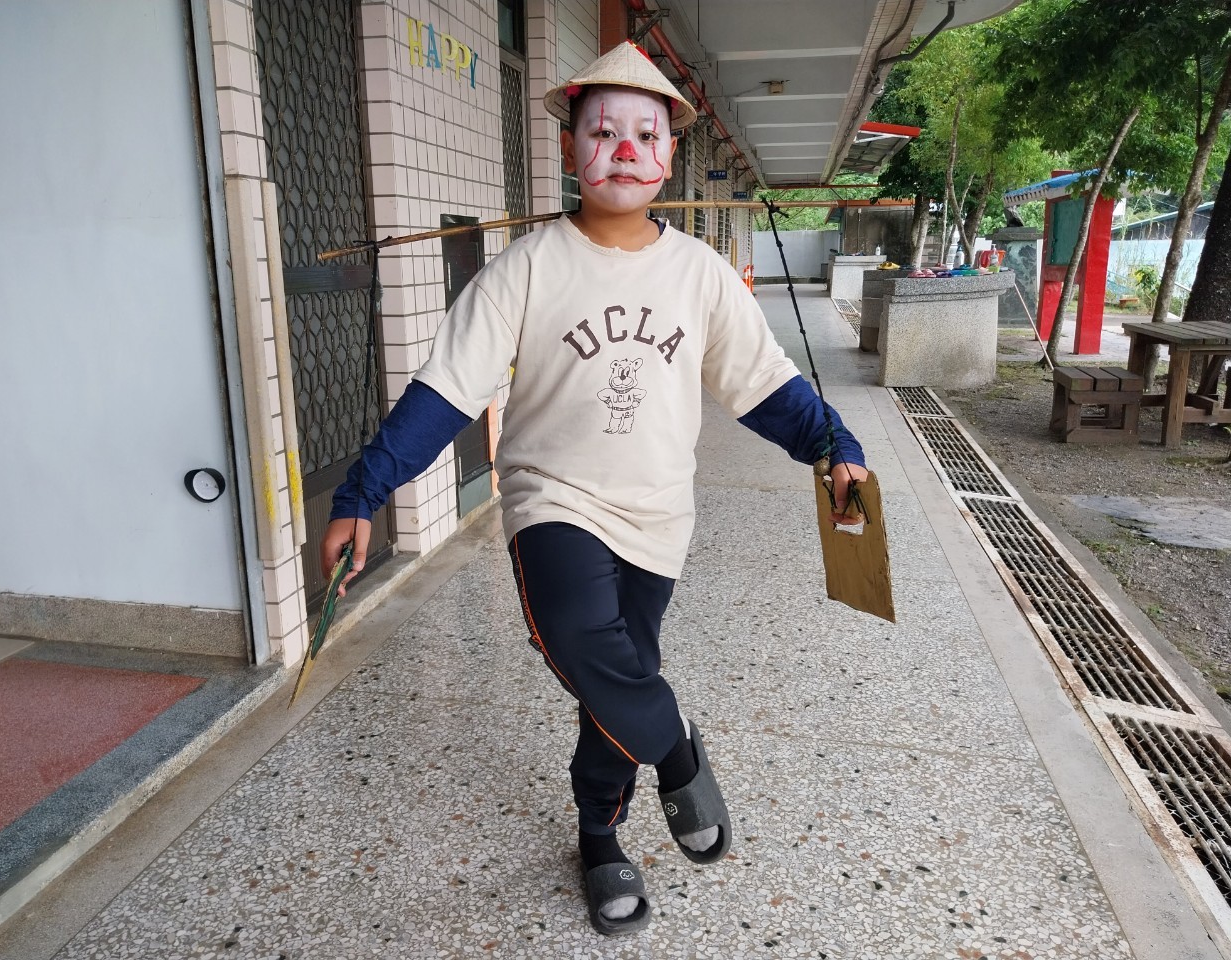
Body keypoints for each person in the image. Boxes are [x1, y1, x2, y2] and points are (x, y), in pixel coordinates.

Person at [319, 41, 868, 936]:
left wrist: (833, 446)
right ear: (570, 147)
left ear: (669, 153)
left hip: (658, 516)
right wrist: (359, 494)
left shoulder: (698, 274)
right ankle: (678, 754)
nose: (624, 149)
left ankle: (599, 837)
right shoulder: (526, 269)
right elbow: (443, 395)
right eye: (603, 131)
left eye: (645, 134)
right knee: (581, 638)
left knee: (618, 682)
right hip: (553, 501)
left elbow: (763, 384)